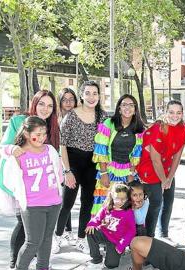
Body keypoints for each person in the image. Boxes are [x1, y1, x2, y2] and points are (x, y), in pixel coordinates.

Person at [0, 90, 60, 270]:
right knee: (24, 224)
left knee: (38, 229)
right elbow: (3, 147)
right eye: (41, 104)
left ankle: (40, 264)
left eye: (50, 105)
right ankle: (15, 265)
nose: (45, 109)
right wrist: (13, 148)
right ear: (34, 104)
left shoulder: (51, 127)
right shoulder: (19, 121)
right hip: (17, 182)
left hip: (40, 186)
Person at [55, 80, 105, 254]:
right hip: (73, 161)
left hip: (92, 164)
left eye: (95, 93)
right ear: (82, 95)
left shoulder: (103, 117)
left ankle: (82, 238)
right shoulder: (71, 116)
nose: (91, 97)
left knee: (87, 203)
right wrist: (67, 171)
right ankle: (57, 236)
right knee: (67, 202)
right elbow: (62, 145)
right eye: (88, 93)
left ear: (99, 96)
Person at [136, 100, 185, 240]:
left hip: (168, 168)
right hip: (150, 168)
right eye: (171, 112)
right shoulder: (158, 128)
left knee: (169, 200)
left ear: (182, 113)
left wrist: (170, 178)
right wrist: (164, 180)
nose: (175, 116)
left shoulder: (183, 128)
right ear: (166, 112)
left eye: (178, 112)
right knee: (156, 202)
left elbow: (177, 156)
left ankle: (163, 233)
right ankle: (148, 237)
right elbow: (155, 160)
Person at [89, 94, 144, 218]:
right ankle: (100, 234)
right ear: (119, 108)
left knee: (123, 205)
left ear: (135, 109)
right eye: (124, 105)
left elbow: (136, 154)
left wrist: (131, 174)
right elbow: (101, 150)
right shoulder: (109, 124)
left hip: (126, 173)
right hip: (109, 170)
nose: (127, 108)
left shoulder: (139, 129)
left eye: (131, 105)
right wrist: (104, 174)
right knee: (105, 204)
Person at [84, 183, 136, 270]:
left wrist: (122, 244)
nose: (120, 201)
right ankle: (97, 260)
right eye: (117, 198)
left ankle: (118, 251)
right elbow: (97, 218)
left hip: (116, 240)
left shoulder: (129, 212)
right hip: (104, 233)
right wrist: (91, 224)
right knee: (90, 232)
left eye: (123, 199)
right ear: (112, 195)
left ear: (128, 198)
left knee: (111, 265)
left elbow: (131, 231)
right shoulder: (107, 206)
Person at [57, 88, 79, 241]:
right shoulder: (56, 120)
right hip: (61, 163)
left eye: (71, 99)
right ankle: (63, 232)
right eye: (65, 99)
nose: (68, 102)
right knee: (65, 200)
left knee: (69, 198)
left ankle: (68, 231)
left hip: (78, 163)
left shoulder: (81, 117)